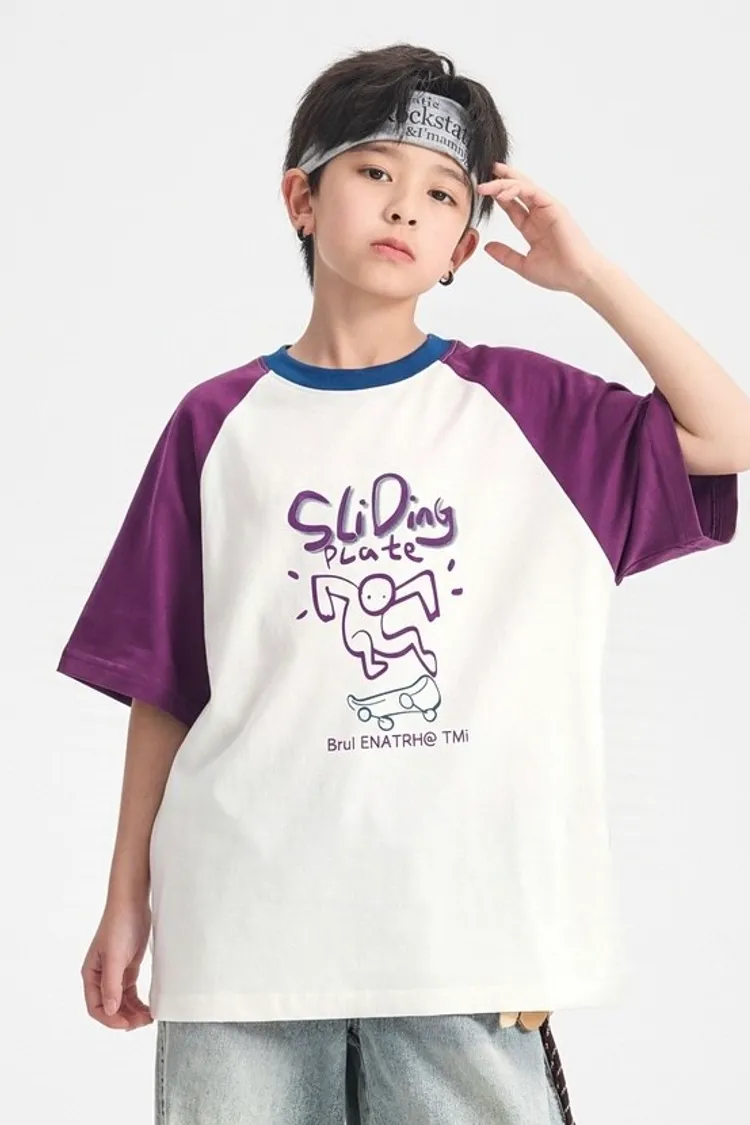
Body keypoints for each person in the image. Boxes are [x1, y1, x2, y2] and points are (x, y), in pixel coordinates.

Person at [57, 42, 748, 1125]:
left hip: (465, 941)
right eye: (374, 172)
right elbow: (167, 683)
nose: (404, 208)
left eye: (442, 195)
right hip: (245, 938)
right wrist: (125, 898)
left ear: (465, 244)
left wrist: (588, 276)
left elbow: (726, 435)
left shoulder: (532, 414)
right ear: (302, 198)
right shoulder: (217, 426)